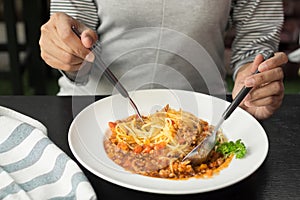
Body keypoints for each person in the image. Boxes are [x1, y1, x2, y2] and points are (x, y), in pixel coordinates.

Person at [39, 0, 288, 120]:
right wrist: (66, 51)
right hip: (92, 110)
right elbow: (72, 34)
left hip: (205, 114)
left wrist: (252, 77)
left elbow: (256, 35)